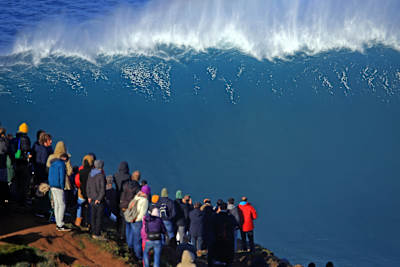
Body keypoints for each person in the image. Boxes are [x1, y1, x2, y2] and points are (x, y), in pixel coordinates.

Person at [207, 202, 237, 267]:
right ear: (226, 208)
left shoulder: (214, 217)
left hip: (216, 240)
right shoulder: (230, 217)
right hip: (228, 240)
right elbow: (235, 225)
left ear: (219, 208)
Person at [125, 185, 150, 261]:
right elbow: (142, 214)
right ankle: (138, 256)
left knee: (130, 235)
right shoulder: (145, 201)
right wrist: (137, 220)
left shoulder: (136, 197)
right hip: (137, 221)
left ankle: (130, 249)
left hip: (130, 219)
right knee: (137, 239)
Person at [48, 153, 71, 231]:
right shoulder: (61, 164)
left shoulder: (52, 163)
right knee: (62, 205)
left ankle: (58, 223)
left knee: (56, 204)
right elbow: (62, 176)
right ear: (64, 158)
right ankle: (60, 224)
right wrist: (62, 186)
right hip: (58, 186)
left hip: (52, 186)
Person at [12, 123, 32, 205]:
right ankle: (22, 200)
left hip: (16, 162)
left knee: (17, 182)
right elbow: (26, 150)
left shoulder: (15, 138)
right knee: (24, 182)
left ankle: (16, 198)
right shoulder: (25, 139)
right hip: (23, 162)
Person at [86, 160, 106, 240]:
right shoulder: (101, 175)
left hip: (91, 199)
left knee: (92, 216)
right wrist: (99, 198)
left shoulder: (90, 174)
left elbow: (88, 186)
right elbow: (102, 189)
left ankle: (92, 231)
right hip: (98, 200)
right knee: (98, 217)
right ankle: (96, 234)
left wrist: (89, 196)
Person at [119, 169, 141, 240]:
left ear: (132, 177)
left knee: (123, 222)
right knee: (130, 225)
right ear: (139, 178)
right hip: (131, 207)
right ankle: (128, 240)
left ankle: (122, 236)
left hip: (123, 205)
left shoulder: (125, 184)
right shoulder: (138, 187)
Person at [74, 154, 94, 227]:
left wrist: (79, 187)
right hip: (91, 193)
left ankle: (78, 221)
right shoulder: (93, 171)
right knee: (90, 208)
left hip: (81, 192)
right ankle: (89, 223)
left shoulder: (80, 170)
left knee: (79, 207)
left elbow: (77, 181)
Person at [0, 128, 11, 206]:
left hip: (2, 164)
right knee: (3, 183)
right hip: (2, 164)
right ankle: (4, 199)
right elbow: (6, 150)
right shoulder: (4, 141)